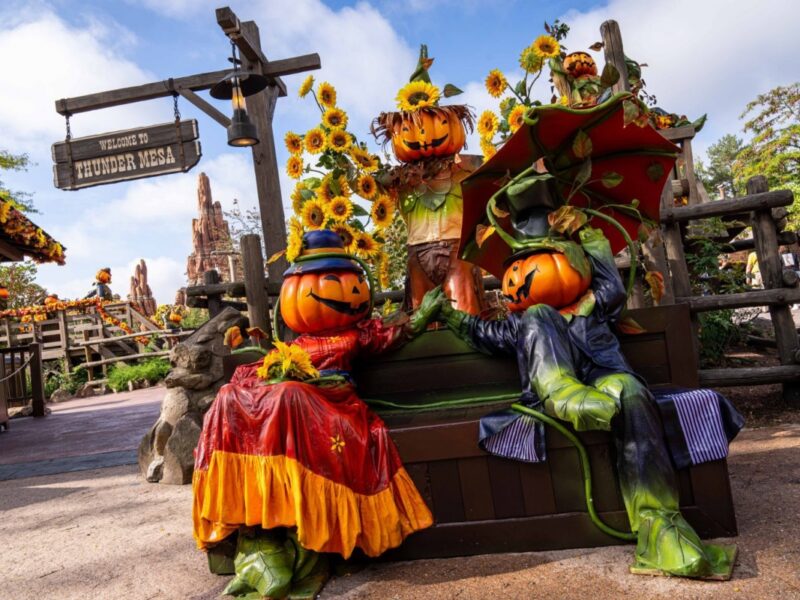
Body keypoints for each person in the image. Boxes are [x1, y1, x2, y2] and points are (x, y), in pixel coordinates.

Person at [431, 219, 733, 579]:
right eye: (516, 269)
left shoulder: (595, 303)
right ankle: (562, 391)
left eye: (538, 265)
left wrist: (592, 235)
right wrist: (446, 313)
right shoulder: (525, 321)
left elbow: (611, 286)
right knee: (538, 311)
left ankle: (660, 527)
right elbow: (483, 333)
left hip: (605, 379)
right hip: (552, 394)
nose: (520, 278)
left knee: (633, 393)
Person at [193, 231, 438, 598]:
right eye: (329, 283)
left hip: (335, 406)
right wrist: (256, 364)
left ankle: (296, 544)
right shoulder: (296, 344)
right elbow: (261, 370)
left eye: (353, 285)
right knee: (230, 396)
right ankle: (255, 536)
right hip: (294, 398)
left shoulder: (358, 333)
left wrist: (419, 320)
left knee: (288, 396)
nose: (349, 294)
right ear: (295, 293)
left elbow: (387, 336)